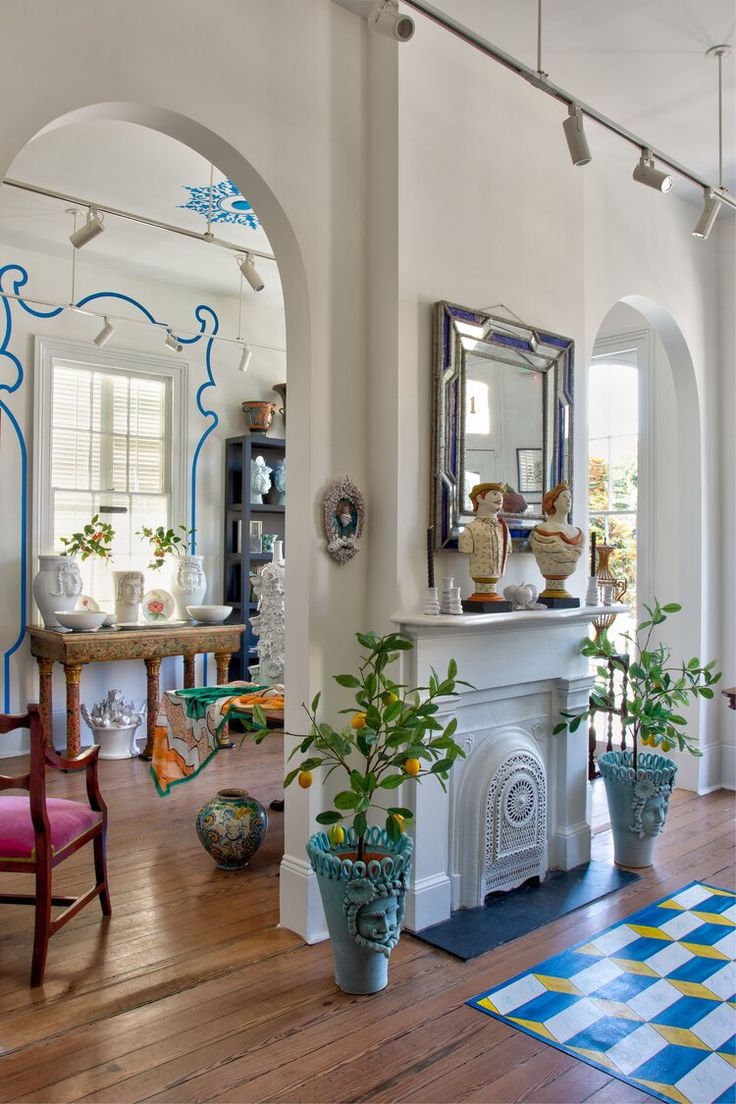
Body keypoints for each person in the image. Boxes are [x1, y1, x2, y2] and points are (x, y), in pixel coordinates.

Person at [529, 481, 584, 601]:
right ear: (553, 501)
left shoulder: (578, 533)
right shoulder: (541, 530)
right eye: (564, 496)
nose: (568, 500)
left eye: (570, 497)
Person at [458, 482, 511, 605]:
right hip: (478, 575)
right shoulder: (470, 529)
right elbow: (465, 547)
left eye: (501, 495)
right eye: (494, 494)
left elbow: (507, 549)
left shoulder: (504, 528)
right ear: (480, 499)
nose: (500, 498)